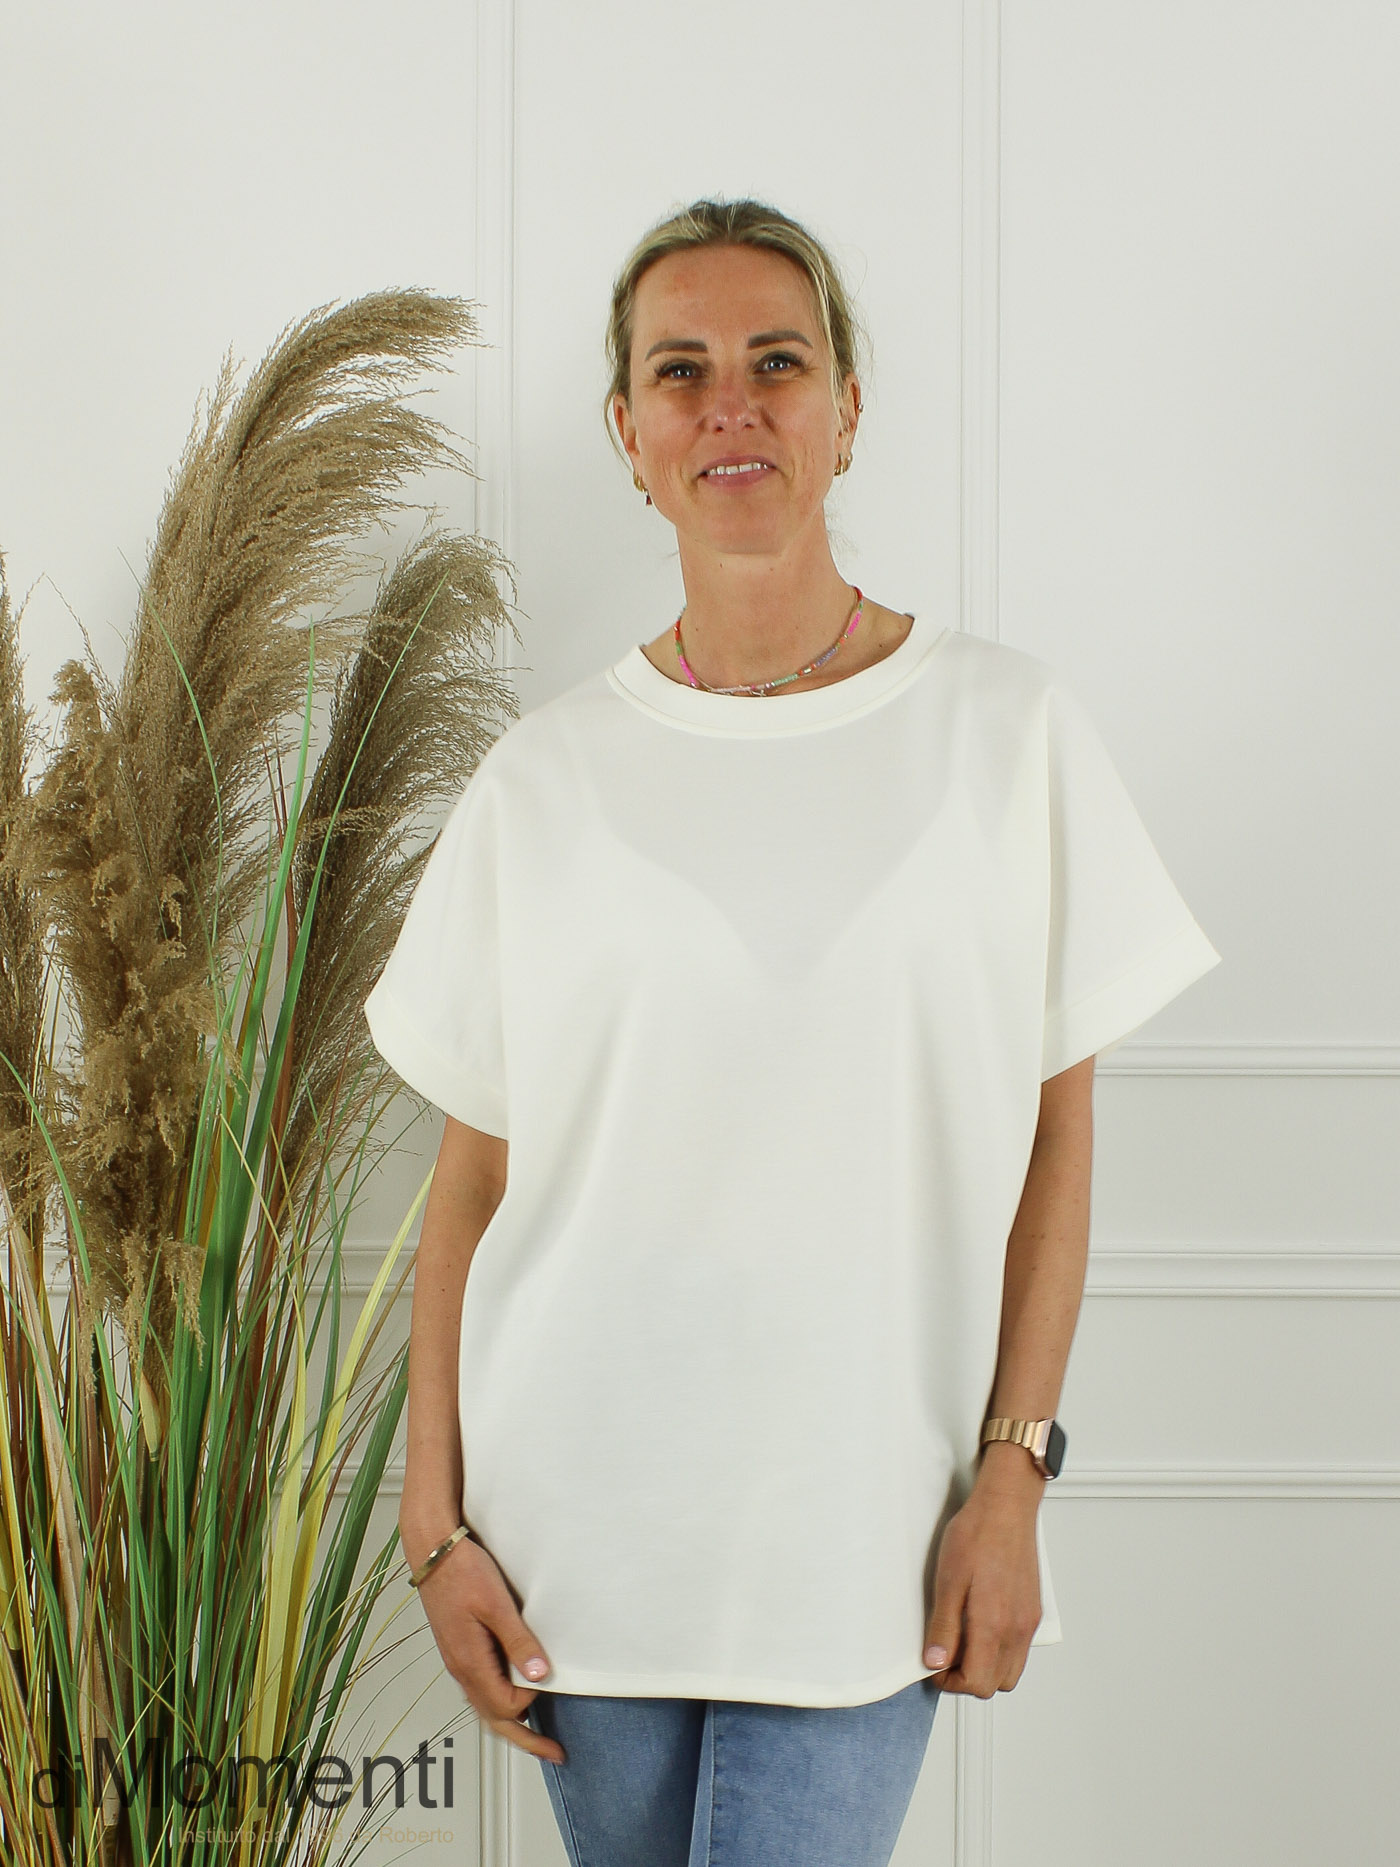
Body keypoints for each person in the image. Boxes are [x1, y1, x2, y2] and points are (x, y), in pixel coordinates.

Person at [364, 196, 1222, 1867]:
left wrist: (1016, 1475)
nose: (731, 404)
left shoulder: (1006, 734)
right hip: (577, 1542)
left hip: (866, 1533)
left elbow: (1057, 1138)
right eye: (680, 371)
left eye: (777, 361)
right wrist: (432, 1521)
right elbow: (472, 1186)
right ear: (627, 433)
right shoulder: (542, 781)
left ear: (847, 408)